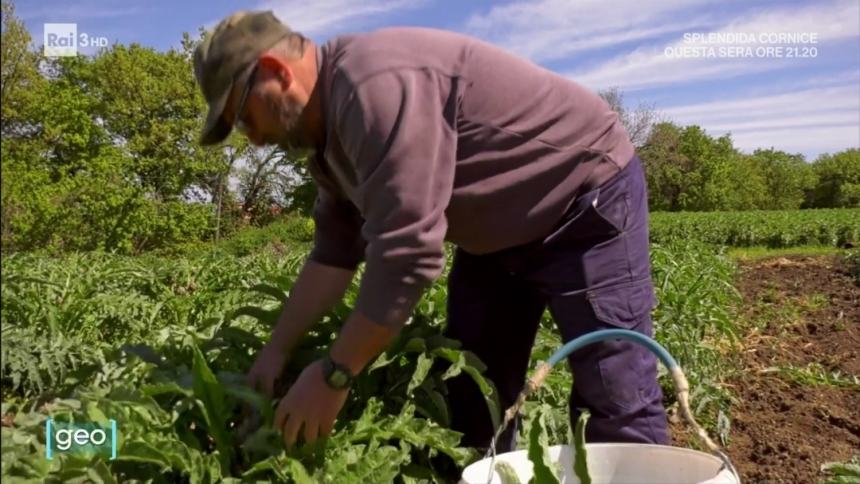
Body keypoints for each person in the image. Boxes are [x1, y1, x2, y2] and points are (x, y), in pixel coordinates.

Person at [193, 10, 669, 453]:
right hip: (497, 235)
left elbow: (407, 257)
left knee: (613, 393)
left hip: (584, 199)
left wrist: (335, 374)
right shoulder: (326, 144)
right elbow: (334, 254)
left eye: (243, 116)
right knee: (473, 391)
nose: (251, 137)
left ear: (277, 72)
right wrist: (275, 352)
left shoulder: (373, 86)